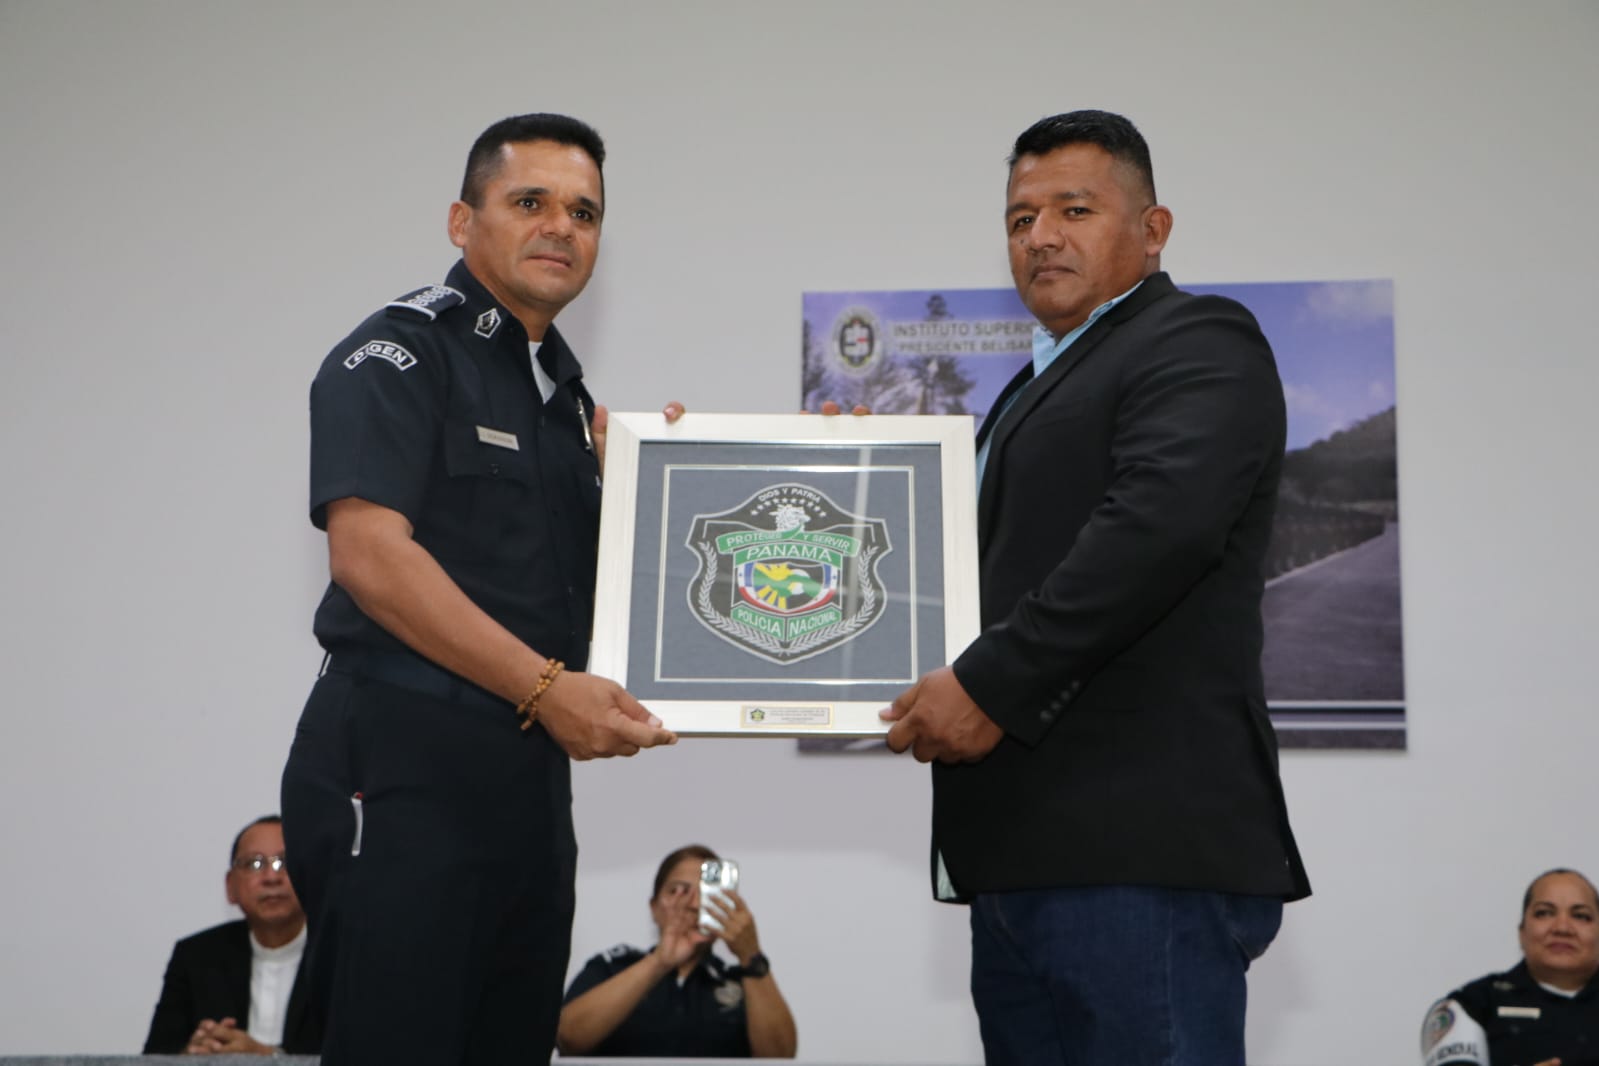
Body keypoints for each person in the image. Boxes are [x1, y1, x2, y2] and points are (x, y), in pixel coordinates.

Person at [880, 109, 1311, 1065]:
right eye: (1019, 218)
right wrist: (848, 475)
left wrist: (987, 685)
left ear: (1153, 230)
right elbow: (975, 567)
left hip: (1136, 855)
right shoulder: (1031, 388)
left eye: (1072, 210)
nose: (1039, 237)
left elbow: (1156, 528)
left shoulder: (1197, 337)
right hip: (1017, 858)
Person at [279, 112, 680, 1066]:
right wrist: (544, 688)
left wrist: (687, 476)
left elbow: (602, 593)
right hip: (403, 760)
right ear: (463, 221)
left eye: (583, 212)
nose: (560, 227)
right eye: (529, 202)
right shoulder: (400, 353)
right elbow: (370, 558)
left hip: (527, 778)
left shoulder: (568, 403)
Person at [557, 845, 797, 1058]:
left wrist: (750, 955)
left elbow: (780, 1057)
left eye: (707, 895)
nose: (693, 904)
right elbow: (567, 1038)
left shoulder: (743, 982)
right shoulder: (613, 967)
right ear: (654, 907)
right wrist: (660, 961)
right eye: (678, 891)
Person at [143, 815, 321, 1055]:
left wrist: (267, 1058)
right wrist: (191, 1055)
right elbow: (154, 1057)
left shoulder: (340, 957)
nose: (272, 877)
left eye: (285, 862)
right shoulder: (196, 956)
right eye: (255, 864)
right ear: (230, 886)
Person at [1421, 868, 1599, 1066]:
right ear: (1522, 932)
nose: (1562, 928)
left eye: (1581, 916)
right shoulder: (1472, 1005)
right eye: (1544, 913)